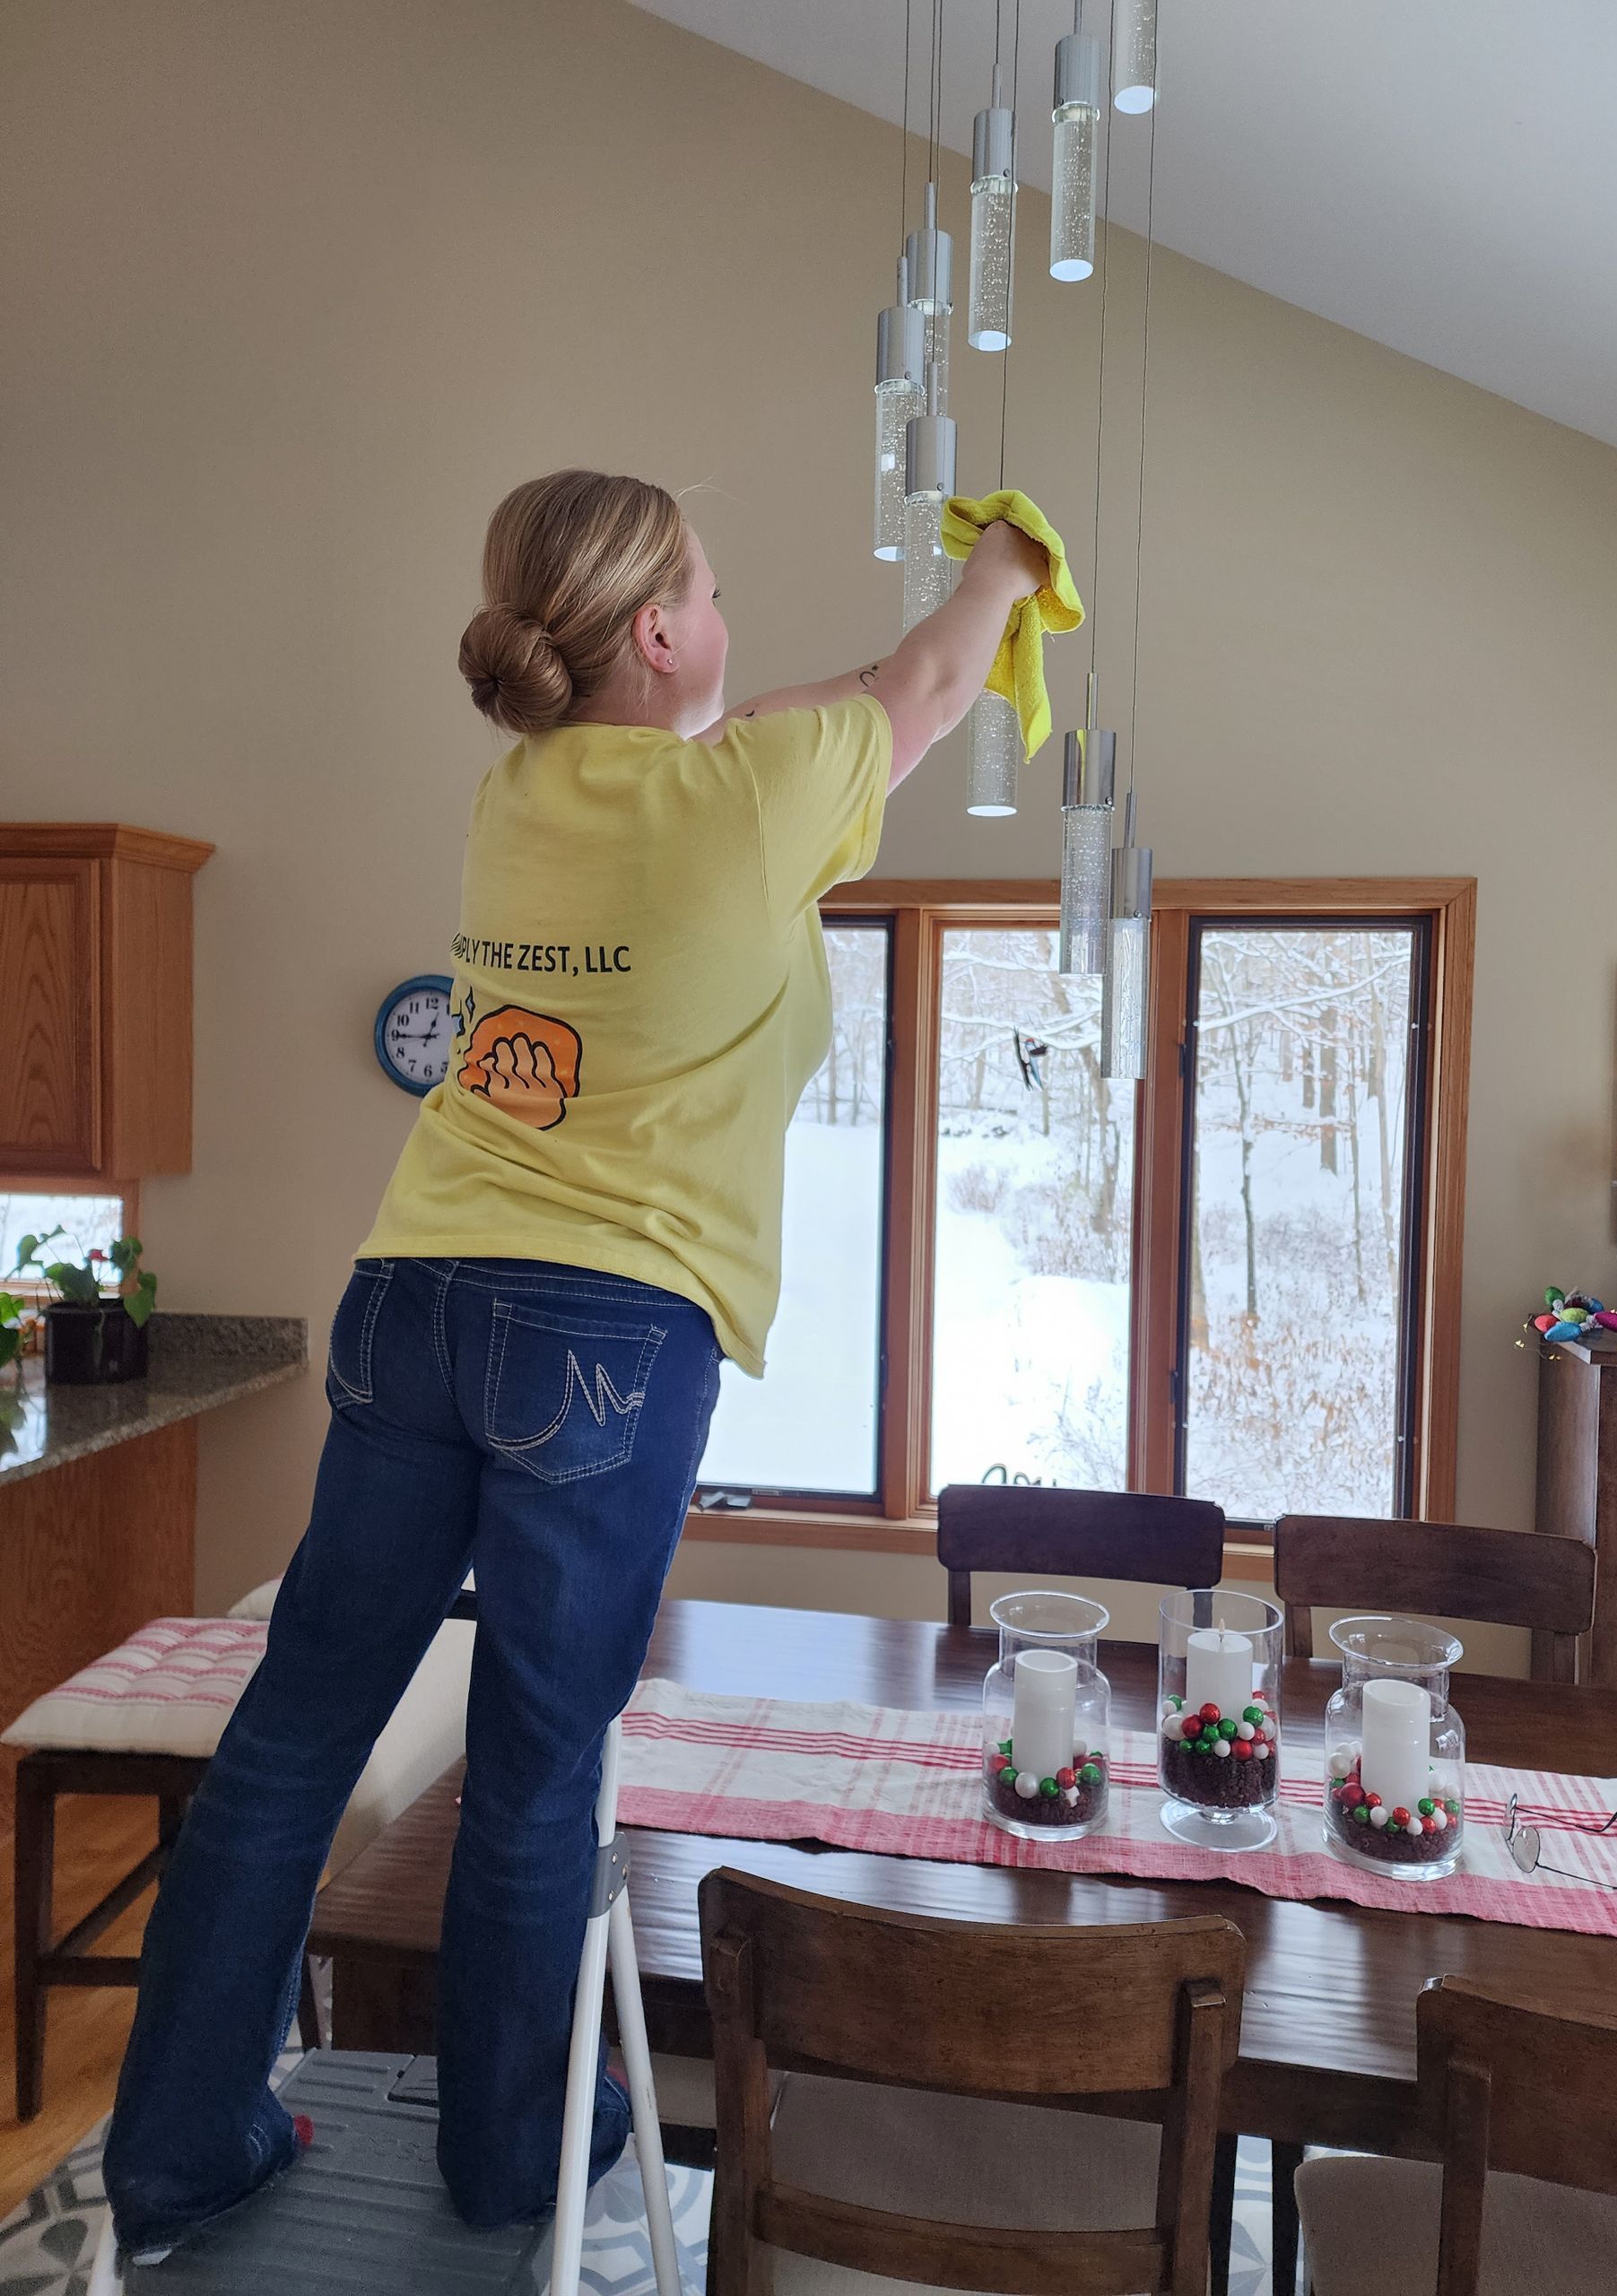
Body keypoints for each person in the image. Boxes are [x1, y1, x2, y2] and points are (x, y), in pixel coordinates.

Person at [102, 466, 1049, 2257]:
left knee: (291, 1731)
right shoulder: (752, 799)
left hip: (417, 1285)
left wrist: (801, 688)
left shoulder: (522, 792)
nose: (733, 612)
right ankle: (505, 2153)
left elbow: (784, 725)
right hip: (607, 1327)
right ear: (662, 629)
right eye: (712, 581)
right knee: (540, 1762)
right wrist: (1003, 570)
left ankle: (173, 2149)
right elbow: (922, 689)